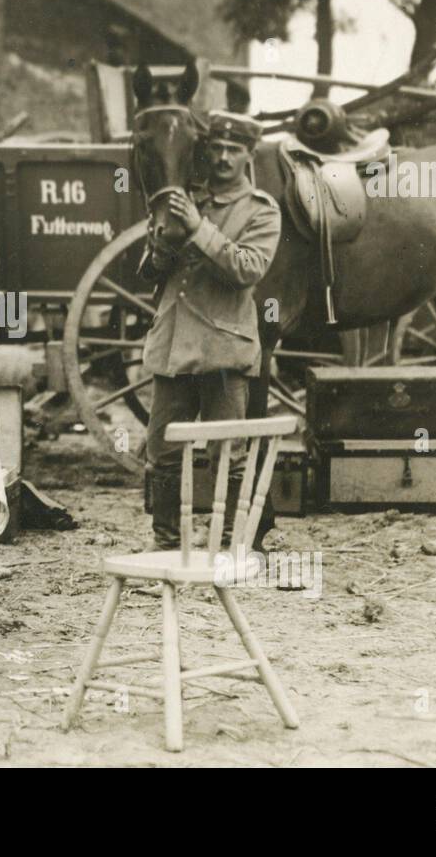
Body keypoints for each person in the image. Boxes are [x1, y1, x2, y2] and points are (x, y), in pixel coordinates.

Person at [139, 111, 282, 551]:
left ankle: (231, 544)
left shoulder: (260, 210)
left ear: (248, 155)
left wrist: (199, 229)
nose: (222, 157)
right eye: (216, 149)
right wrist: (162, 242)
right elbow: (153, 273)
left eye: (233, 150)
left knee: (228, 454)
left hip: (223, 350)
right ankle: (165, 545)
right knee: (162, 452)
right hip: (174, 346)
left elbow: (247, 269)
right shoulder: (187, 200)